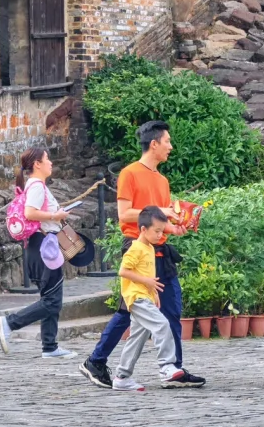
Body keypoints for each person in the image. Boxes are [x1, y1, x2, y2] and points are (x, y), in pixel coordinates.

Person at [79, 119, 205, 390]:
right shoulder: (130, 173)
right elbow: (125, 214)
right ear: (154, 144)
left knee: (172, 307)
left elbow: (158, 222)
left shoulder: (162, 180)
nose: (171, 147)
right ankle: (96, 361)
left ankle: (173, 369)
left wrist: (174, 227)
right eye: (167, 141)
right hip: (136, 246)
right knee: (129, 311)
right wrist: (160, 212)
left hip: (160, 249)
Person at [0, 145, 77, 359]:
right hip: (43, 245)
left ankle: (50, 346)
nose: (51, 163)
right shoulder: (37, 186)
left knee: (51, 296)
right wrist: (56, 216)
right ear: (37, 164)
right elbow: (30, 213)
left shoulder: (34, 185)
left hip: (39, 245)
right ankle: (10, 323)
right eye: (47, 159)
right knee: (52, 300)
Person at [110, 206, 203, 391]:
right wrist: (147, 282)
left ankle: (122, 377)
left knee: (137, 338)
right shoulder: (136, 248)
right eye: (157, 231)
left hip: (146, 297)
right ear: (143, 229)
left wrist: (154, 294)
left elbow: (148, 275)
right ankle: (167, 366)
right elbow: (123, 271)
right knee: (162, 325)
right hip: (137, 298)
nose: (161, 235)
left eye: (162, 231)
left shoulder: (149, 248)